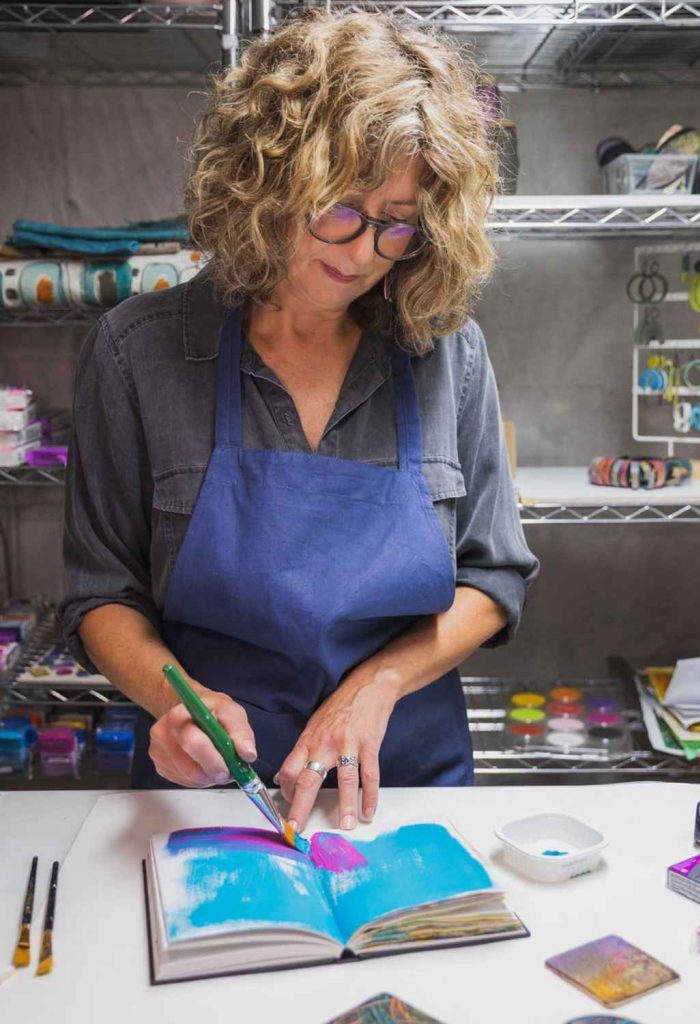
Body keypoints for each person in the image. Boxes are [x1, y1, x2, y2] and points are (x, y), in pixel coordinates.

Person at [59, 10, 539, 834]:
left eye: (397, 223)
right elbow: (102, 594)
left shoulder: (446, 352)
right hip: (206, 797)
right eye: (340, 209)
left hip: (400, 792)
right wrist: (173, 703)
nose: (361, 253)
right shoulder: (138, 353)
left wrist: (375, 685)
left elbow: (492, 578)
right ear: (267, 180)